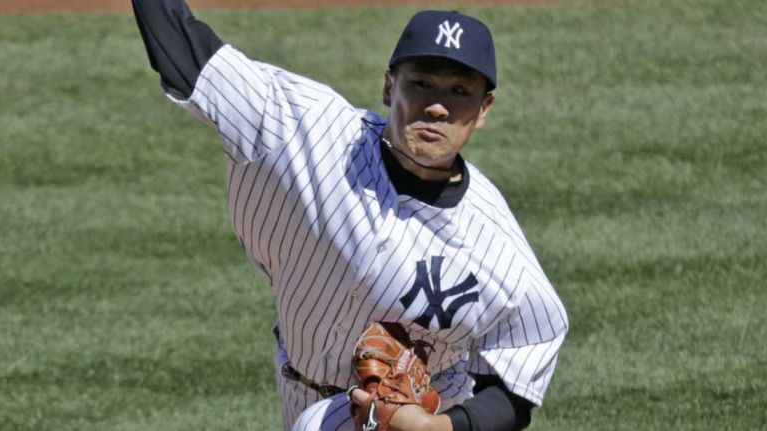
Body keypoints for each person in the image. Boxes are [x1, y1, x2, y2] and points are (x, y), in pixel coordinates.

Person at [131, 1, 569, 430]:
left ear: (483, 110)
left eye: (459, 92)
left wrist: (441, 428)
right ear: (388, 86)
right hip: (300, 388)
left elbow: (517, 381)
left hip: (419, 413)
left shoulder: (494, 249)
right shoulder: (308, 131)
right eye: (421, 84)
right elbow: (189, 55)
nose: (437, 106)